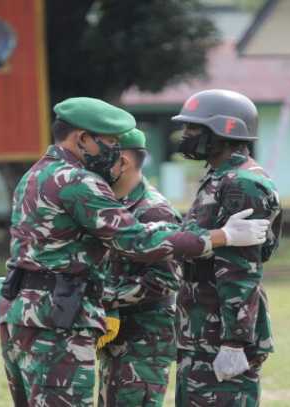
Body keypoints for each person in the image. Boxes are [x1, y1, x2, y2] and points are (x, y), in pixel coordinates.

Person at [0, 97, 270, 407]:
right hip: (57, 322)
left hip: (25, 315)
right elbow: (135, 240)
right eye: (109, 141)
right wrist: (221, 236)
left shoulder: (36, 174)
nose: (115, 150)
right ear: (83, 139)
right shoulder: (78, 181)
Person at [171, 89, 283, 406]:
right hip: (200, 325)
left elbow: (240, 269)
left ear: (224, 130)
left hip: (220, 331)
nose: (186, 135)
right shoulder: (220, 177)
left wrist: (234, 341)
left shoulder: (242, 183)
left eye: (194, 128)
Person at [97, 128, 181, 406]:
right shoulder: (115, 206)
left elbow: (166, 279)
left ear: (123, 161)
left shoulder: (153, 211)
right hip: (120, 336)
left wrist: (101, 296)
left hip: (144, 342)